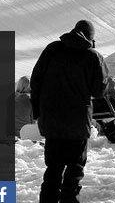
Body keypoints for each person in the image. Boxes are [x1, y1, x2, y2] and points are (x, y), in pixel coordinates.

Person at [31, 20, 108, 203]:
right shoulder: (92, 56)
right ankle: (69, 199)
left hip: (51, 120)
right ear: (91, 38)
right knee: (75, 167)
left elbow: (35, 81)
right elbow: (99, 90)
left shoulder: (52, 49)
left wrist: (38, 113)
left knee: (53, 167)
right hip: (77, 122)